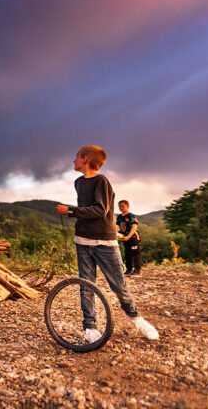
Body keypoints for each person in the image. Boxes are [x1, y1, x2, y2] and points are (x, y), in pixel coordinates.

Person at [56, 145, 158, 343]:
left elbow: (99, 210)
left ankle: (137, 319)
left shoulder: (101, 181)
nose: (73, 160)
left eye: (76, 157)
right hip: (82, 240)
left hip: (105, 241)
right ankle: (90, 328)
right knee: (86, 286)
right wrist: (72, 213)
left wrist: (69, 211)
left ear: (85, 159)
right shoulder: (78, 182)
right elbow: (86, 209)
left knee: (119, 285)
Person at [117, 200, 142, 276]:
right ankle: (129, 270)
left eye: (122, 206)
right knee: (127, 254)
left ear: (127, 206)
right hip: (124, 238)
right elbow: (118, 227)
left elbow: (134, 227)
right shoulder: (119, 217)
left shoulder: (131, 216)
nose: (121, 208)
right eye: (119, 206)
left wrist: (128, 236)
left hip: (133, 237)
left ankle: (137, 270)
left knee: (135, 253)